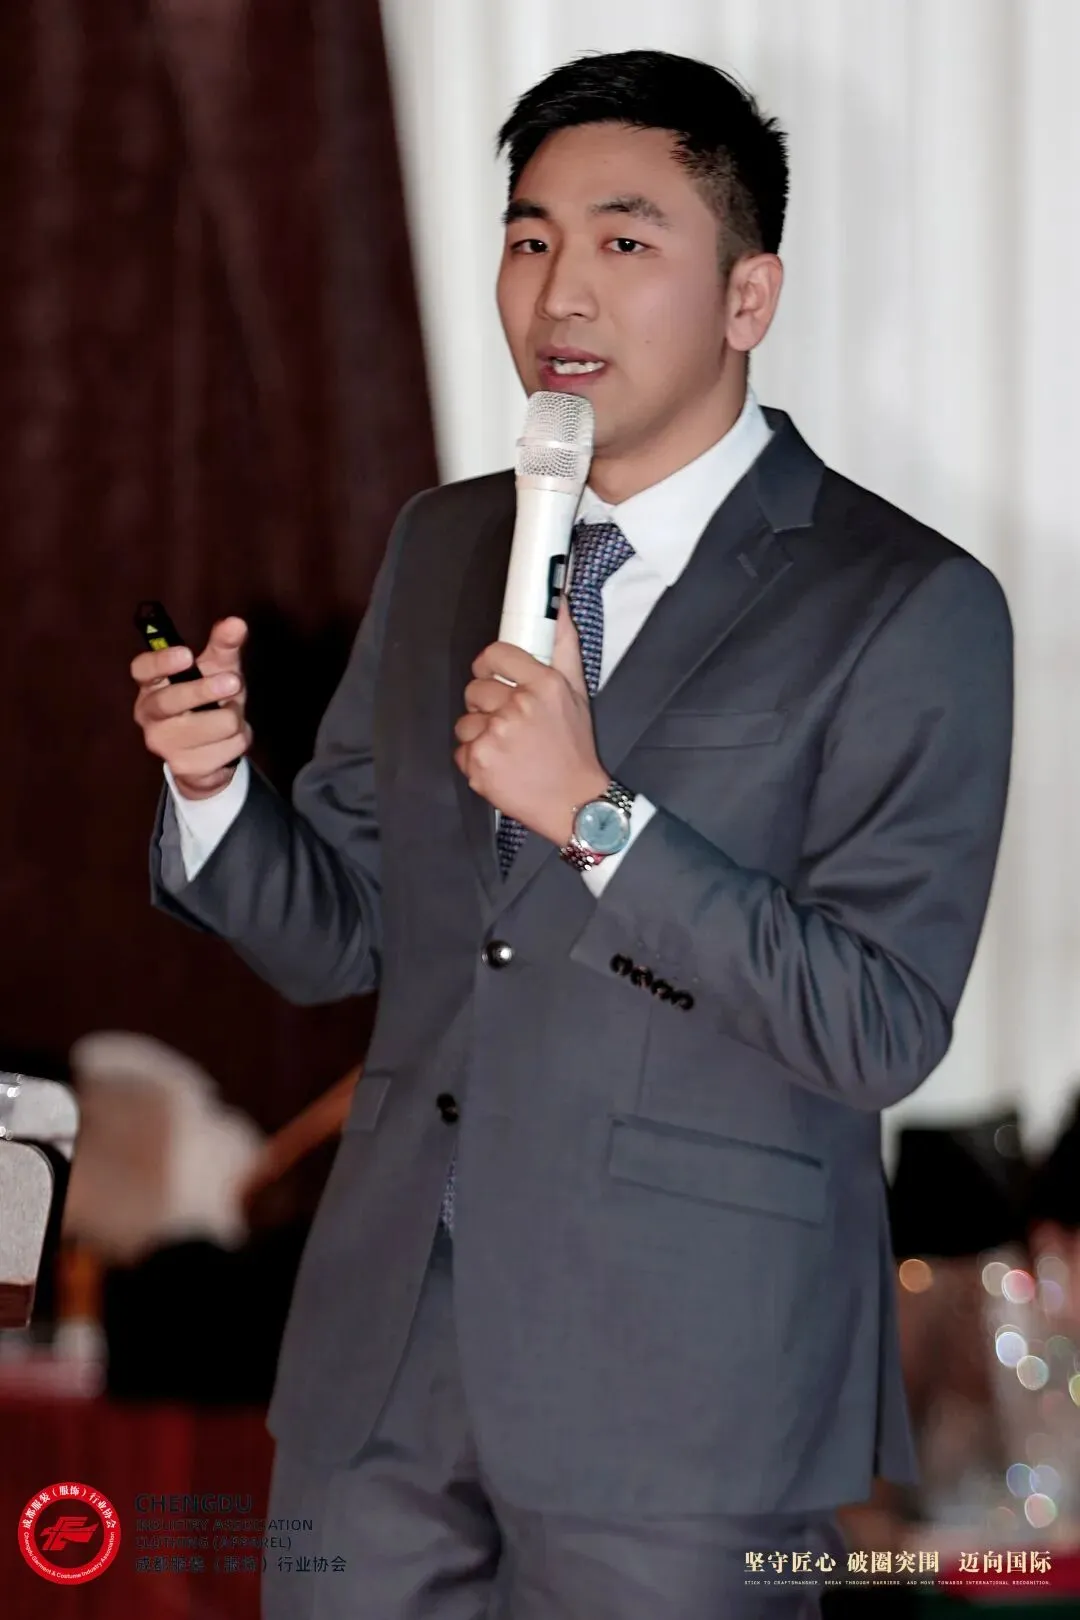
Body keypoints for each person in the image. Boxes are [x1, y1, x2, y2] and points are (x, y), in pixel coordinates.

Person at [130, 48, 1014, 1620]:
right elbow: (344, 930)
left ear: (749, 296)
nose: (561, 291)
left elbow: (877, 1022)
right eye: (529, 238)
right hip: (383, 1368)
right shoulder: (445, 539)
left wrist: (596, 818)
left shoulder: (905, 601)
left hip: (688, 1395)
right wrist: (214, 789)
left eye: (624, 239)